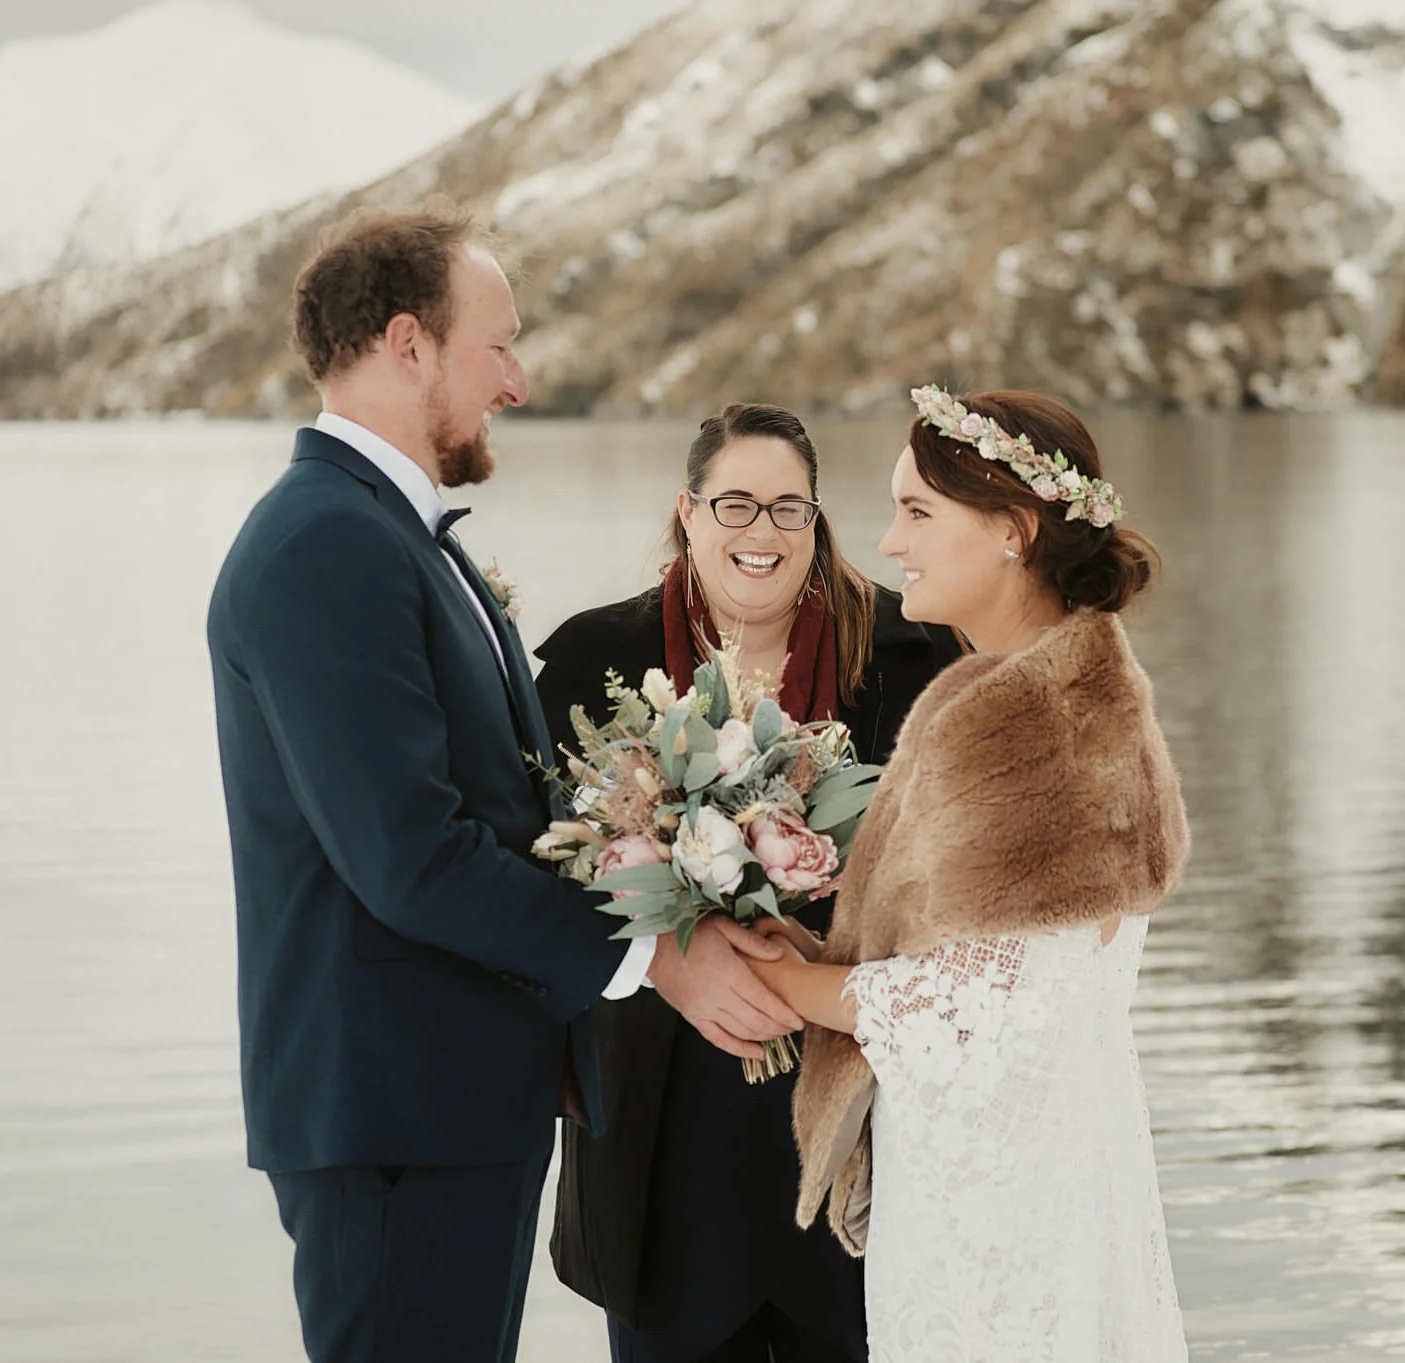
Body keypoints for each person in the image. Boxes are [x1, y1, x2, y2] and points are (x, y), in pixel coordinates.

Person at [204, 202, 802, 1363]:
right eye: (499, 345)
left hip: (446, 1102)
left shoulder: (388, 533)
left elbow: (503, 810)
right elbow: (411, 855)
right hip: (393, 1111)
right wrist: (655, 957)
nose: (517, 383)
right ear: (407, 344)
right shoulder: (324, 545)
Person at [750, 388, 1193, 1361]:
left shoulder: (1024, 722)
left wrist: (778, 979)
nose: (890, 542)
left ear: (1011, 530)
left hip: (1002, 1207)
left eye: (916, 511)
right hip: (1053, 1161)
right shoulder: (1082, 690)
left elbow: (977, 1006)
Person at [533, 402, 964, 1363]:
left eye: (787, 508)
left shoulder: (914, 656)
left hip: (855, 1129)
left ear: (815, 519)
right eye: (735, 504)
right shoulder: (591, 663)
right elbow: (538, 879)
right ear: (688, 512)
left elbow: (959, 882)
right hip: (662, 1132)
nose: (761, 531)